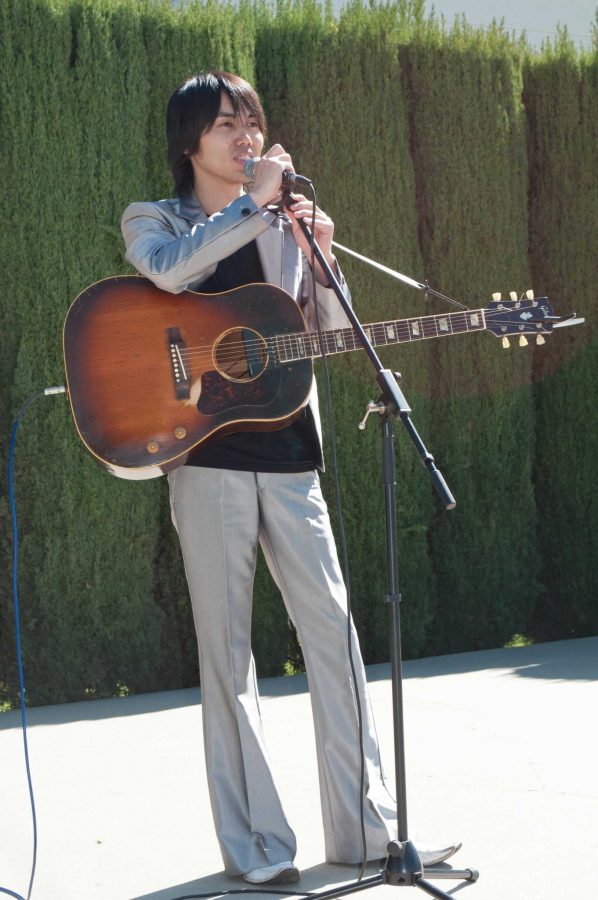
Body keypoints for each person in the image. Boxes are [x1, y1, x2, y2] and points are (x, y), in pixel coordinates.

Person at [121, 71, 459, 885]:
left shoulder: (286, 229)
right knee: (228, 660)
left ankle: (370, 834)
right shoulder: (155, 218)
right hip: (207, 464)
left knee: (336, 640)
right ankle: (259, 852)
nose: (246, 137)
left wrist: (323, 253)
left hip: (292, 457)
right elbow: (167, 274)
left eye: (254, 123)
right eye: (228, 125)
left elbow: (332, 337)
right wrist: (251, 205)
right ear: (189, 141)